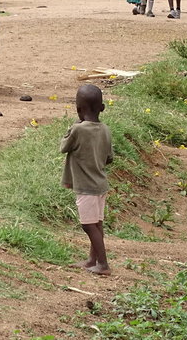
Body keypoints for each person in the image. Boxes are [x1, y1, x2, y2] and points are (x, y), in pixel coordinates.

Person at [60, 84, 114, 276]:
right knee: (97, 224)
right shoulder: (106, 129)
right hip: (101, 184)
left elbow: (64, 147)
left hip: (86, 187)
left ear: (78, 109)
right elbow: (109, 158)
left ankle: (103, 264)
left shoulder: (78, 130)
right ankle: (92, 260)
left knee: (88, 225)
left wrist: (75, 124)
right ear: (102, 108)